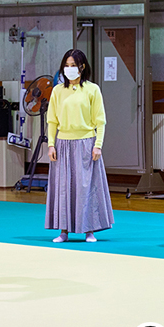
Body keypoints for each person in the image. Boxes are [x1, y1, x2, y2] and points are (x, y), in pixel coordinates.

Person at [45, 49, 113, 243]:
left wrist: (97, 145)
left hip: (86, 142)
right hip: (63, 144)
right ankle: (63, 231)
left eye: (73, 65)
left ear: (82, 67)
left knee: (86, 187)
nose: (69, 69)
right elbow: (52, 121)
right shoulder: (58, 91)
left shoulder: (93, 89)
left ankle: (89, 231)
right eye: (66, 65)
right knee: (63, 188)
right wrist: (51, 145)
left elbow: (100, 121)